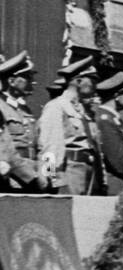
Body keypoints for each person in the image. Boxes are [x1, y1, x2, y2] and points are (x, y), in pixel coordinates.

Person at [38, 56, 101, 195]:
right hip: (69, 170)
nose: (95, 86)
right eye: (93, 80)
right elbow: (50, 144)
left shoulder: (83, 110)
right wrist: (51, 177)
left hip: (88, 169)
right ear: (78, 81)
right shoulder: (57, 106)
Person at [0, 51, 46, 192]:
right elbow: (6, 150)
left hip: (36, 177)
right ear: (12, 81)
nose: (32, 81)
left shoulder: (26, 110)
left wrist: (50, 175)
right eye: (27, 76)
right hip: (14, 179)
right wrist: (32, 177)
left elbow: (43, 147)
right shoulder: (1, 108)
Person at [93, 73, 123, 196]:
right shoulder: (105, 119)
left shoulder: (113, 118)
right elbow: (118, 160)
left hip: (122, 181)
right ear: (117, 96)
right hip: (115, 183)